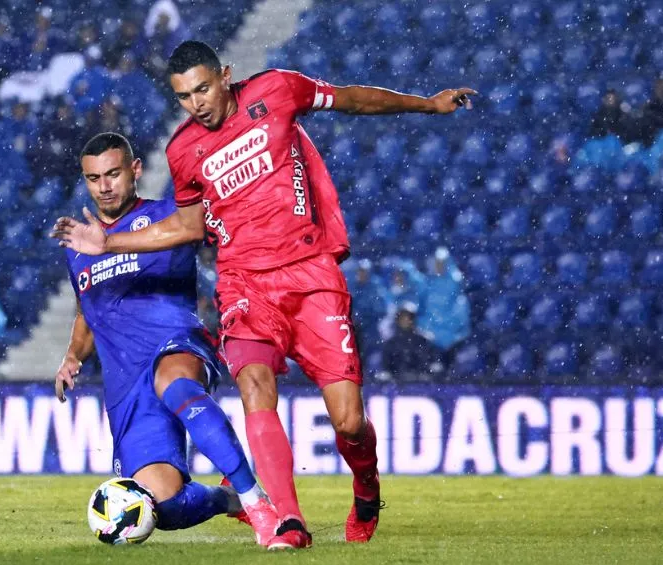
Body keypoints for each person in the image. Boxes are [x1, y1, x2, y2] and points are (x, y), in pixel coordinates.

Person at [53, 40, 475, 547]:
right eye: (184, 97)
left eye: (204, 89)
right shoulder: (183, 151)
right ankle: (284, 521)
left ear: (225, 75)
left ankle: (366, 486)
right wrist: (105, 254)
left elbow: (352, 99)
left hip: (308, 271)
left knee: (349, 419)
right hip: (244, 283)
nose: (197, 104)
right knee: (253, 385)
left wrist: (427, 104)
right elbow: (182, 230)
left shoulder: (276, 90)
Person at [57, 132, 279, 547]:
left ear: (135, 170)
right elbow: (89, 307)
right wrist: (72, 355)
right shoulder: (78, 244)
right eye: (93, 178)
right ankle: (233, 501)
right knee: (165, 507)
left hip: (176, 343)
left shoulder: (172, 214)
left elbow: (228, 231)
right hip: (126, 386)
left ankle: (259, 505)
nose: (104, 186)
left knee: (175, 385)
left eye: (113, 174)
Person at [417, 248, 471, 359]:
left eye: (442, 263)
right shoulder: (428, 282)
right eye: (437, 263)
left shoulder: (455, 281)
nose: (439, 266)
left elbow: (459, 308)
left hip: (451, 329)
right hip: (430, 330)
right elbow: (422, 306)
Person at [383, 304, 443, 382]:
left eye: (408, 319)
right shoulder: (391, 343)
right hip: (398, 384)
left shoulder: (423, 341)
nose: (406, 321)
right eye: (402, 319)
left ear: (413, 320)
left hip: (423, 383)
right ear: (397, 321)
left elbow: (433, 362)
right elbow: (386, 366)